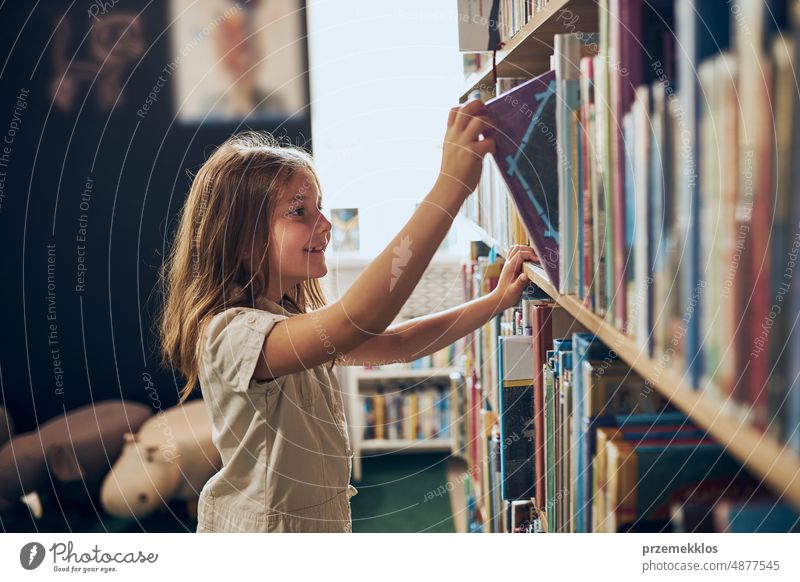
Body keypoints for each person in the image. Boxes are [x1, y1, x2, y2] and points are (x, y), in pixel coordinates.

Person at [158, 98, 539, 532]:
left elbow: (399, 342)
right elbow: (357, 319)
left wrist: (495, 302)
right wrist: (450, 188)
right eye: (299, 211)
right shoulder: (231, 333)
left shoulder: (286, 319)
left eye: (318, 207)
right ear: (241, 241)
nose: (325, 224)